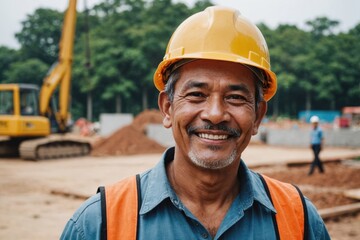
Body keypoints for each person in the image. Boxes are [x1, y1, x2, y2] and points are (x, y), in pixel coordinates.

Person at [61, 6, 330, 239]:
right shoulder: (98, 224)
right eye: (197, 95)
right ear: (167, 107)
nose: (215, 114)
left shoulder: (299, 221)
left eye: (235, 97)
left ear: (258, 115)